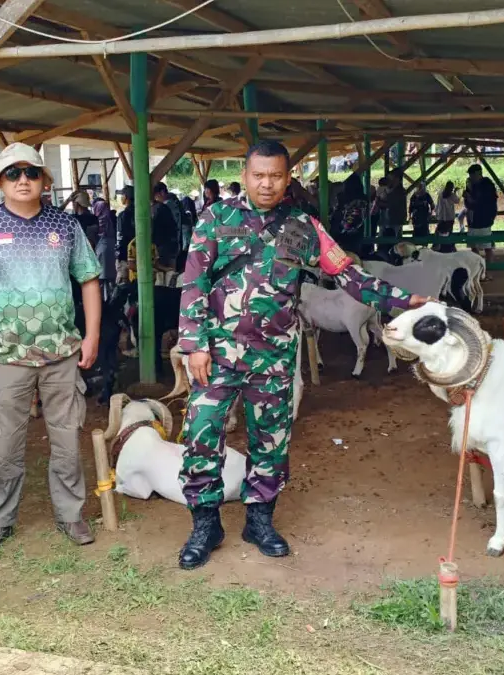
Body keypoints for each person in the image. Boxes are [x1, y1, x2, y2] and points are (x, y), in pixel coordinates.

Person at [176, 140, 428, 570]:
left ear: (288, 178)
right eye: (259, 175)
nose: (267, 184)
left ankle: (259, 521)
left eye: (275, 176)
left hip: (274, 358)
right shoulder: (216, 218)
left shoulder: (303, 227)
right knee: (201, 434)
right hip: (217, 354)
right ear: (245, 175)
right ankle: (205, 525)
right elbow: (193, 283)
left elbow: (348, 275)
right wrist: (195, 344)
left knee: (271, 441)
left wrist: (404, 300)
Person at [0, 143, 102, 555]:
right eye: (13, 173)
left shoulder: (65, 224)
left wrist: (91, 336)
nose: (23, 180)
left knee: (67, 440)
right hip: (5, 355)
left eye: (31, 172)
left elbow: (89, 279)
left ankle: (71, 514)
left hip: (61, 352)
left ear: (45, 180)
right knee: (3, 444)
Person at [464, 164, 499, 269]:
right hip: (473, 220)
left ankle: (488, 269)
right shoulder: (470, 185)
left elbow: (483, 203)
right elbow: (468, 203)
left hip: (484, 219)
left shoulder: (487, 185)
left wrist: (470, 198)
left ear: (478, 174)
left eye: (471, 175)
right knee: (473, 246)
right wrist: (468, 196)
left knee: (487, 247)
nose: (470, 177)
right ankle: (479, 268)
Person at [151, 182, 180, 271]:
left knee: (164, 271)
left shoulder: (164, 206)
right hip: (169, 245)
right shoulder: (167, 206)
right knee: (170, 272)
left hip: (162, 246)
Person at [115, 186, 136, 284]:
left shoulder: (123, 215)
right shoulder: (142, 213)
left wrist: (119, 255)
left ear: (126, 197)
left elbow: (120, 237)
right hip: (139, 255)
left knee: (122, 285)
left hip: (125, 256)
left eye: (122, 195)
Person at [434, 181, 461, 253]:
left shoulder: (441, 194)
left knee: (439, 232)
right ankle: (450, 247)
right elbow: (457, 201)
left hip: (441, 217)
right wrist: (455, 192)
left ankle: (439, 247)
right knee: (449, 233)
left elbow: (437, 205)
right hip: (449, 218)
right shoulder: (452, 195)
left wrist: (437, 214)